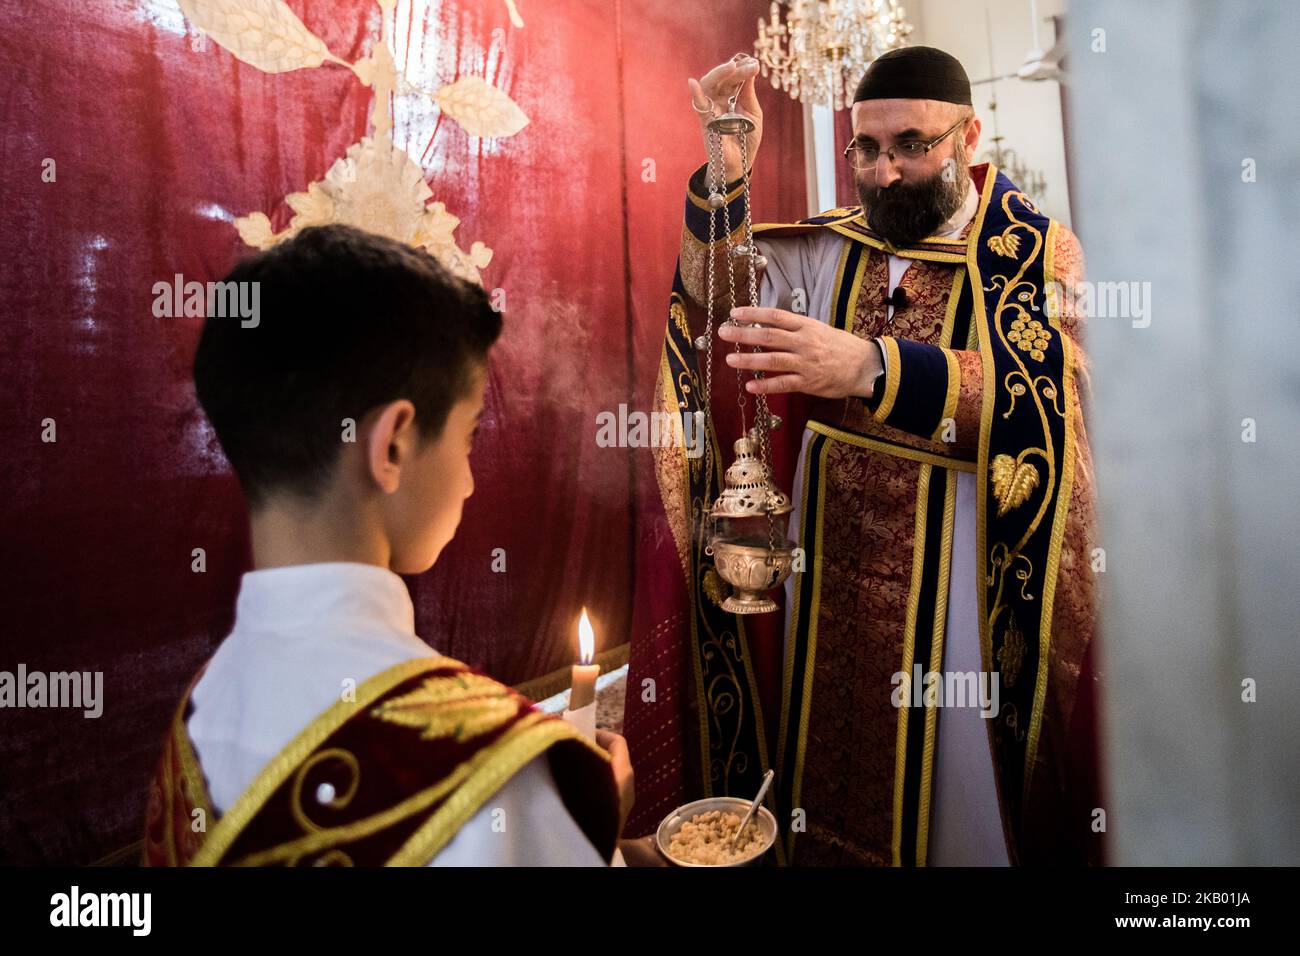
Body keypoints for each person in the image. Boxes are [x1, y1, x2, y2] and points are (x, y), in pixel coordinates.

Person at [628, 47, 1103, 866]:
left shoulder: (1037, 253)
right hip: (827, 565)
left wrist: (870, 367)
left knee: (954, 796)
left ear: (967, 136)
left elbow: (1052, 394)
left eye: (912, 144)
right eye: (867, 150)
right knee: (824, 756)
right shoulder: (830, 246)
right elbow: (716, 301)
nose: (885, 173)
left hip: (961, 572)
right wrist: (726, 166)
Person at [143, 224, 637, 866]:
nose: (468, 481)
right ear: (393, 445)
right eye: (469, 437)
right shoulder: (491, 772)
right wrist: (593, 826)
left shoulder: (198, 717)